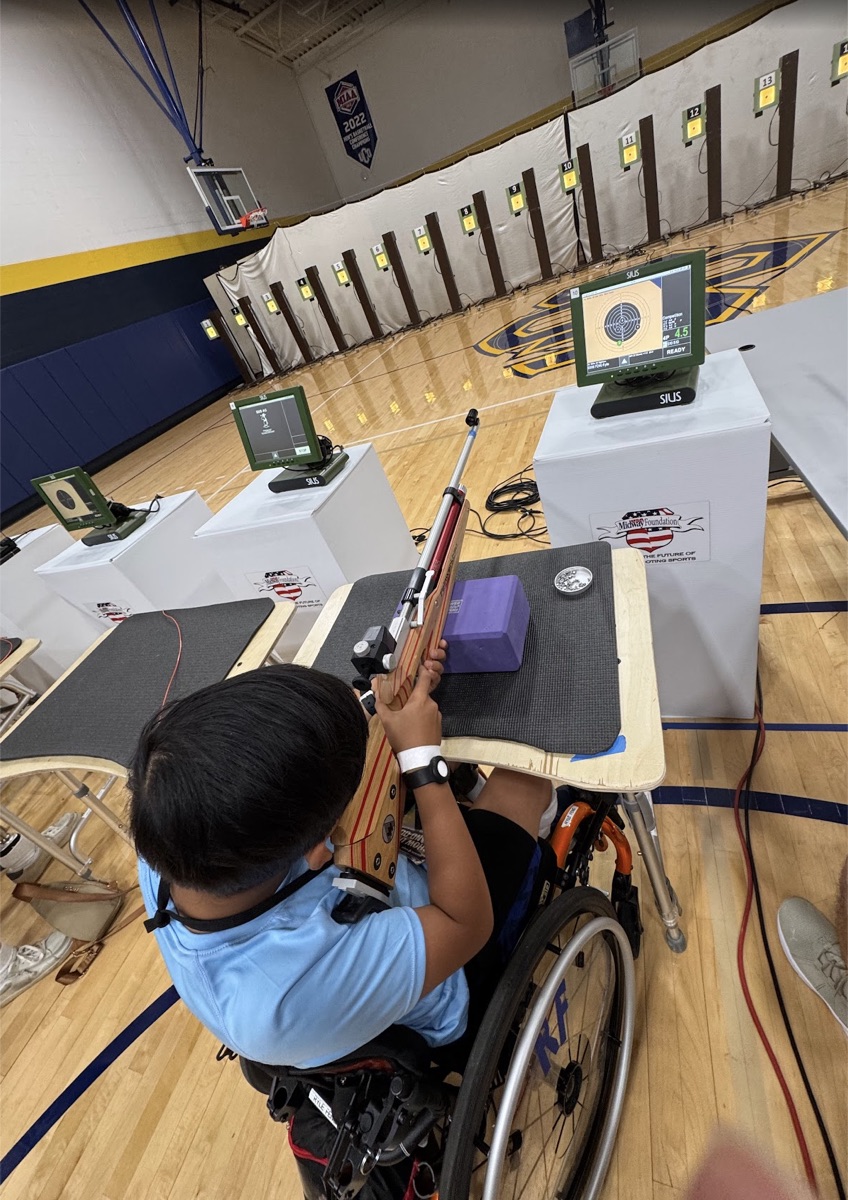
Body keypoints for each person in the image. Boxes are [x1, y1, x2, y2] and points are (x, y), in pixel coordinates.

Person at [129, 647, 553, 1075]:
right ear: (323, 847)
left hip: (369, 903)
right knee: (527, 778)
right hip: (450, 970)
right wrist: (423, 764)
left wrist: (377, 702)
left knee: (422, 741)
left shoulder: (166, 828)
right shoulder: (287, 996)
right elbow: (465, 924)